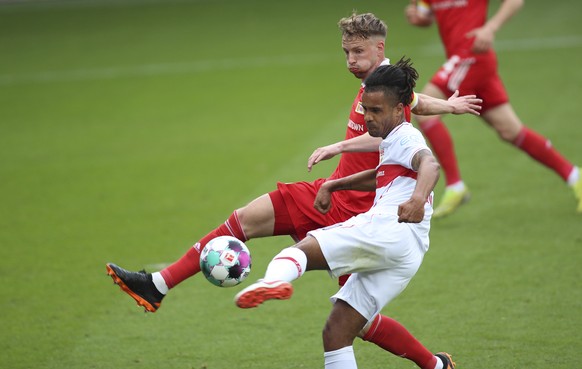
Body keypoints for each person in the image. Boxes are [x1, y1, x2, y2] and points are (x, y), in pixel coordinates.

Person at [106, 13, 473, 369]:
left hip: (359, 210)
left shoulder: (386, 100)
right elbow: (417, 102)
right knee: (249, 222)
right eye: (346, 52)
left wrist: (339, 146)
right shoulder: (389, 87)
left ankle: (429, 361)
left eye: (358, 52)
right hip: (334, 194)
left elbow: (404, 138)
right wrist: (451, 106)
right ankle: (158, 283)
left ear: (380, 48)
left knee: (353, 322)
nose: (350, 60)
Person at [235, 59, 449, 369]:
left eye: (376, 111)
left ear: (399, 109)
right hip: (408, 251)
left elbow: (430, 164)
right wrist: (335, 185)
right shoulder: (392, 141)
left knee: (301, 250)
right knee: (337, 332)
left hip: (389, 230)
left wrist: (417, 200)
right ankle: (439, 366)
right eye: (365, 109)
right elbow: (381, 174)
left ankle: (272, 281)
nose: (368, 117)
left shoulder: (406, 137)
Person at [405, 0, 582, 217]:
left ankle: (455, 186)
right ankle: (575, 175)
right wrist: (418, 17)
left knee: (423, 110)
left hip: (471, 55)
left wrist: (490, 27)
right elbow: (425, 16)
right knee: (510, 131)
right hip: (469, 61)